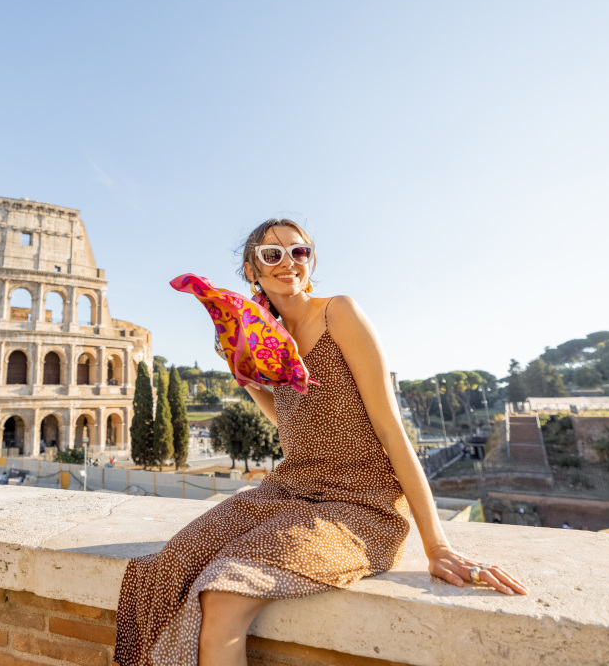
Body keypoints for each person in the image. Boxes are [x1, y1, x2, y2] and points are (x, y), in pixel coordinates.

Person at [115, 219, 528, 666]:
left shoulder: (339, 313)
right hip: (287, 492)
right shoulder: (267, 341)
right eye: (272, 255)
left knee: (223, 593)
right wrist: (245, 372)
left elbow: (391, 429)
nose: (288, 263)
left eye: (299, 252)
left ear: (311, 261)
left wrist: (437, 546)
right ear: (251, 270)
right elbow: (294, 420)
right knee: (167, 567)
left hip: (361, 506)